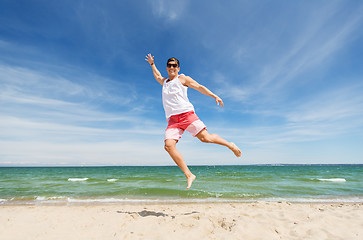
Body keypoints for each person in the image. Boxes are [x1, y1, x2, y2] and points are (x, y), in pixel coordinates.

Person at [145, 54, 242, 190]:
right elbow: (157, 76)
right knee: (168, 146)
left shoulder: (182, 78)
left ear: (178, 68)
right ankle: (189, 174)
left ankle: (230, 145)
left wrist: (214, 95)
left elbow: (199, 86)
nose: (171, 67)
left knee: (205, 138)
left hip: (186, 114)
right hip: (173, 120)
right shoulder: (165, 82)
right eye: (169, 65)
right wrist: (152, 64)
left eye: (174, 65)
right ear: (167, 67)